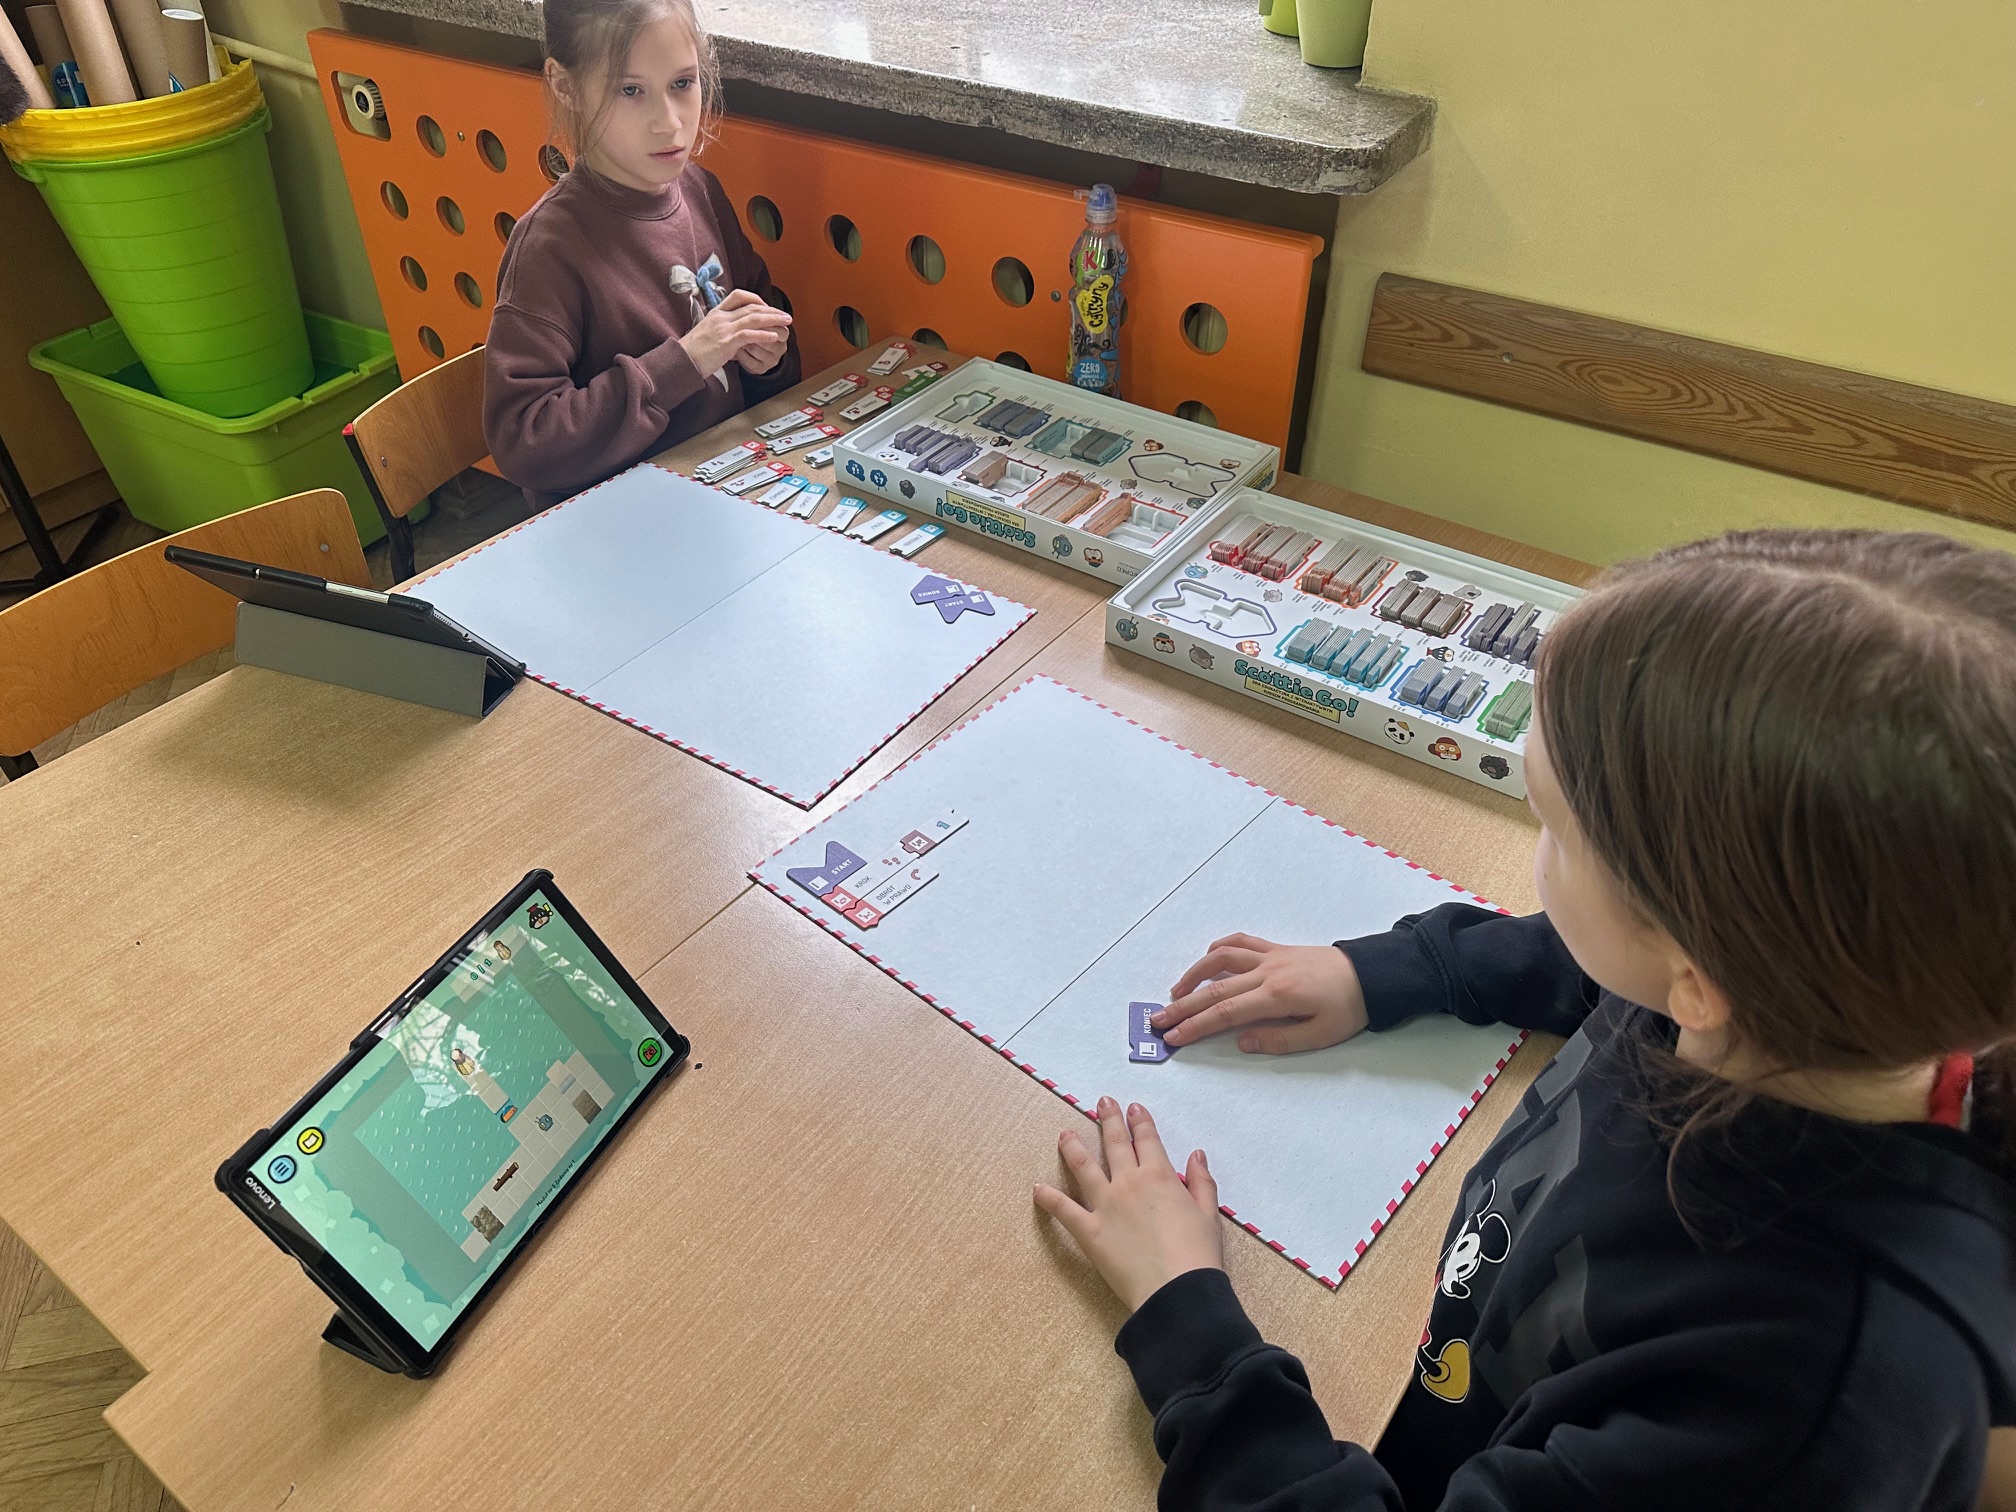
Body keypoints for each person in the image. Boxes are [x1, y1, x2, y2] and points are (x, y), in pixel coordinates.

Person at [1032, 529, 2016, 1510]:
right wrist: (1391, 973)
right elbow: (1596, 963)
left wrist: (1190, 1330)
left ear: (1698, 973)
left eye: (1553, 825)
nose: (1536, 848)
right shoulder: (1797, 1006)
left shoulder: (1786, 1410)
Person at [483, 0, 799, 505]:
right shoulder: (548, 249)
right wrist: (685, 362)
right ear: (565, 86)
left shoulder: (702, 190)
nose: (669, 123)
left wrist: (768, 360)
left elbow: (766, 357)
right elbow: (525, 442)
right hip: (613, 524)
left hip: (724, 491)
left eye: (683, 83)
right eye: (630, 91)